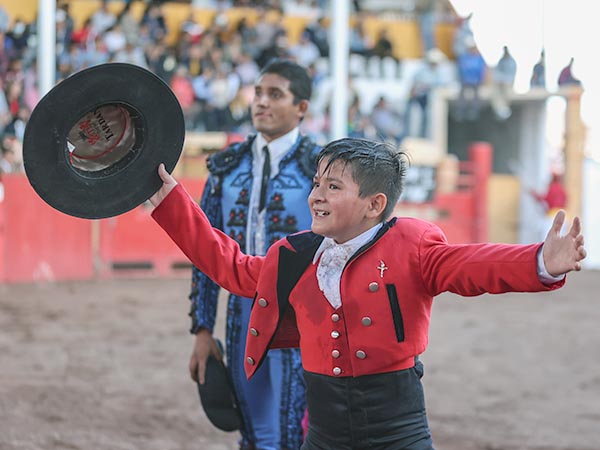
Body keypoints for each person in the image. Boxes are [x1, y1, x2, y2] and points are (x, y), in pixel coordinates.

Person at [151, 137, 586, 450]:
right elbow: (231, 266)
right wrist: (169, 201)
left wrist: (540, 262)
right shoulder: (295, 256)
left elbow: (471, 266)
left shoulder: (413, 245)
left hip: (398, 430)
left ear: (375, 205)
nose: (316, 196)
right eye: (317, 183)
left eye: (333, 187)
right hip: (323, 433)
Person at [187, 59, 321, 450]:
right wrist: (201, 329)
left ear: (301, 108)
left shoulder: (323, 169)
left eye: (275, 95)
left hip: (301, 317)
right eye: (258, 93)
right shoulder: (226, 169)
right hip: (241, 314)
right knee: (253, 427)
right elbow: (204, 253)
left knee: (294, 428)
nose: (261, 102)